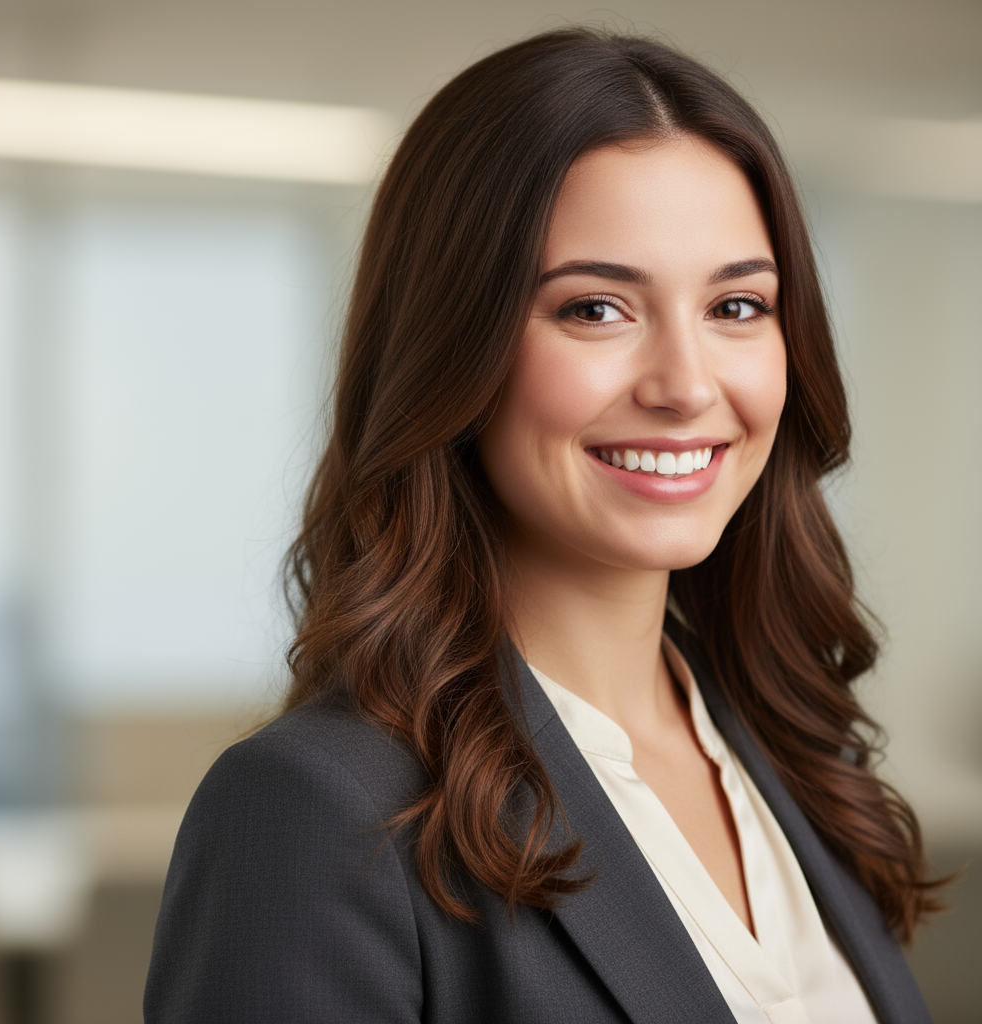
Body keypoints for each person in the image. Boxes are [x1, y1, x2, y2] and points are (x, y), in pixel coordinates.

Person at [144, 28, 940, 1024]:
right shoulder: (318, 810)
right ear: (452, 349)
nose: (686, 385)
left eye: (737, 304)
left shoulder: (791, 760)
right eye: (596, 309)